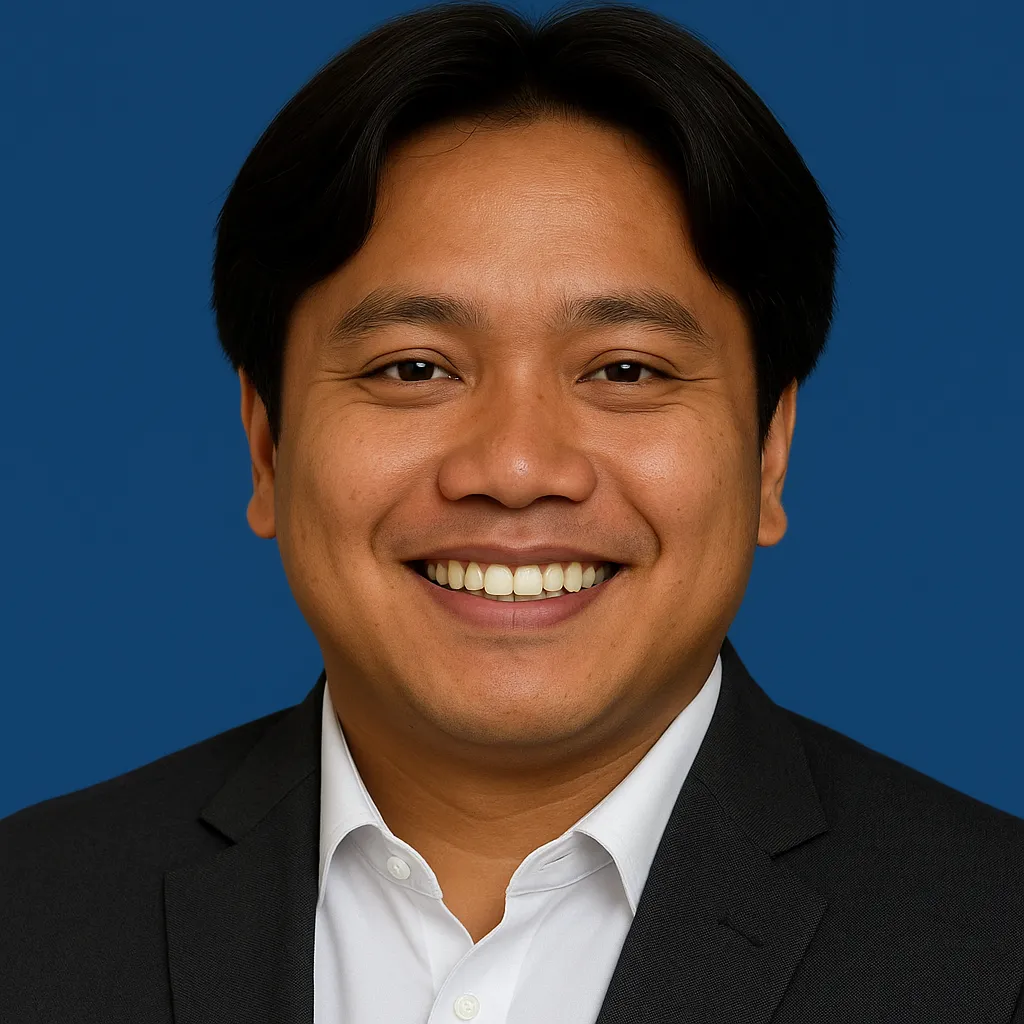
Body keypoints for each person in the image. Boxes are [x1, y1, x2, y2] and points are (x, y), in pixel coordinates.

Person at [2, 2, 1022, 1020]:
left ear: (769, 452)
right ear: (266, 442)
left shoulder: (993, 945)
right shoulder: (29, 918)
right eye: (414, 368)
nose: (518, 466)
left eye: (625, 369)